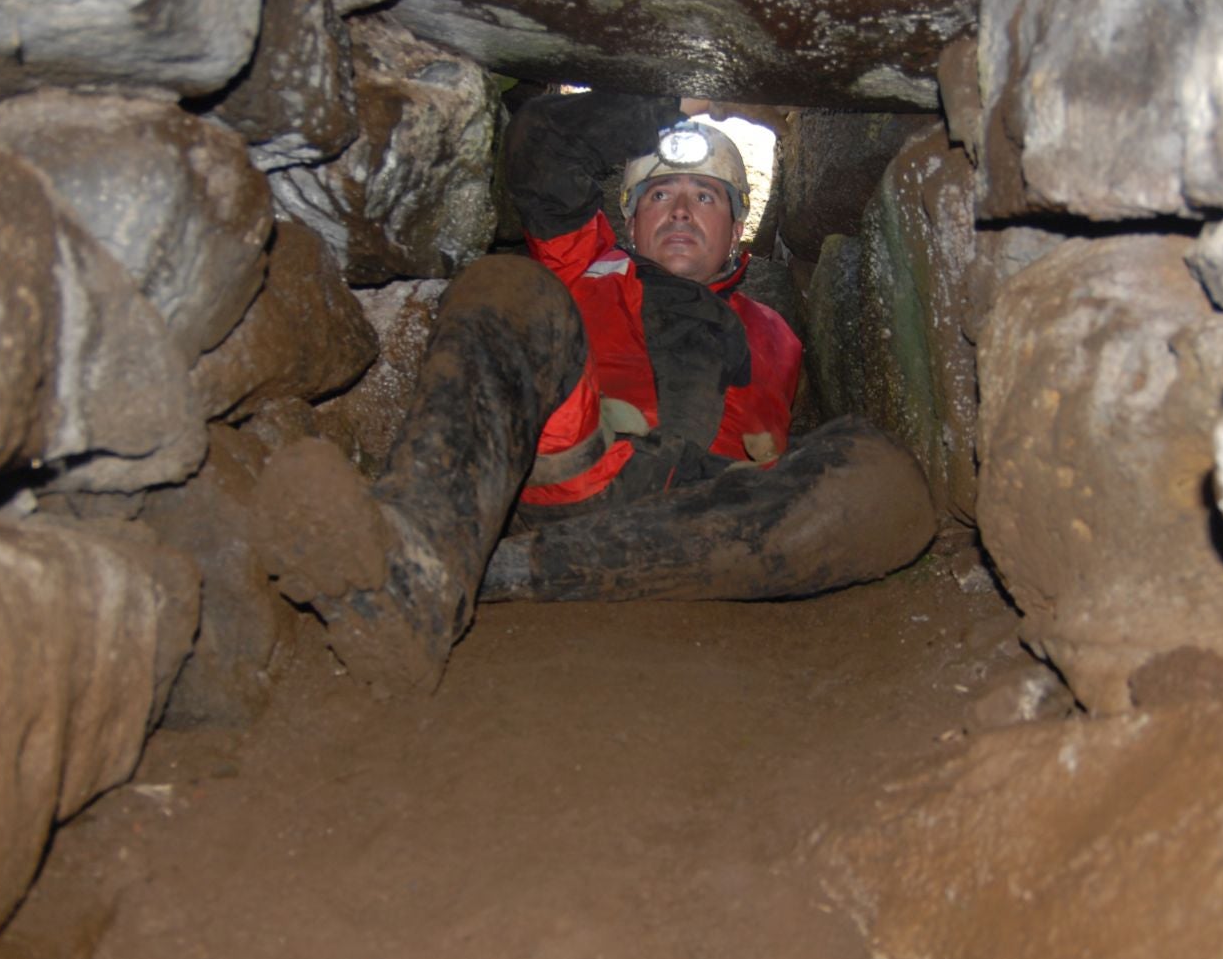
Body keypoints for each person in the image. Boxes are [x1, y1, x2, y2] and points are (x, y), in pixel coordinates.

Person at [258, 90, 935, 694]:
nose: (679, 211)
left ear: (737, 232)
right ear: (630, 222)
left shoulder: (781, 335)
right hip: (581, 477)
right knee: (506, 282)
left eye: (705, 196)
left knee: (885, 480)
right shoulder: (586, 262)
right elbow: (541, 143)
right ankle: (426, 546)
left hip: (721, 524)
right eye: (658, 196)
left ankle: (499, 574)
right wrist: (659, 115)